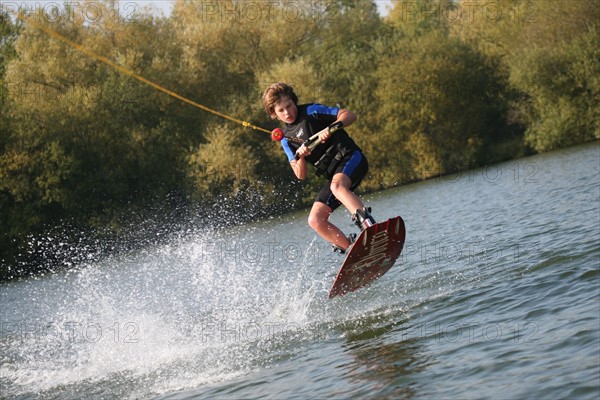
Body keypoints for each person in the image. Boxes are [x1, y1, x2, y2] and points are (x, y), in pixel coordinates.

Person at [262, 82, 375, 253]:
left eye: (289, 106)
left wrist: (330, 128)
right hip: (334, 177)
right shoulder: (286, 140)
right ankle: (353, 250)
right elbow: (300, 174)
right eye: (281, 110)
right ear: (273, 114)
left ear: (294, 102)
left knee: (337, 187)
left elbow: (349, 115)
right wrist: (300, 155)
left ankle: (370, 227)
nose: (288, 113)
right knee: (315, 219)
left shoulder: (310, 111)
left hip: (351, 158)